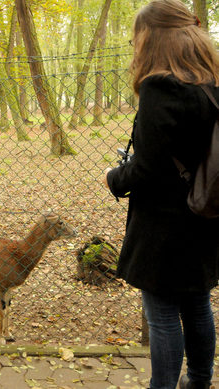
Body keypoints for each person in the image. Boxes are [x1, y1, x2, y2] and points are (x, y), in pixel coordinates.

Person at [104, 1, 219, 388]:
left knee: (164, 314)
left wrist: (114, 178)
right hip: (205, 213)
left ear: (153, 39)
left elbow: (148, 168)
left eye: (138, 38)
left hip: (165, 224)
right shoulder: (210, 85)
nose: (135, 46)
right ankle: (199, 381)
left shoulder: (160, 87)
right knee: (198, 304)